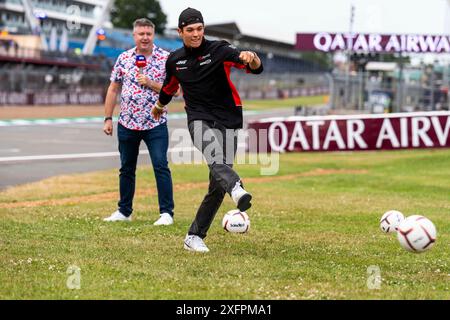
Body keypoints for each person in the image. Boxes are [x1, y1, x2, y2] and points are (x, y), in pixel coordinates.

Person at [152, 8, 263, 252]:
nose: (196, 34)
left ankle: (193, 236)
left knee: (216, 185)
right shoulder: (175, 60)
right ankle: (236, 187)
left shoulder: (219, 49)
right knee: (215, 160)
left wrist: (251, 57)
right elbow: (169, 88)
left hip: (229, 119)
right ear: (180, 32)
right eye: (190, 30)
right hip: (199, 118)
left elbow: (253, 66)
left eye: (199, 29)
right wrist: (159, 105)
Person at [103, 18, 174, 225]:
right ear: (134, 36)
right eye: (140, 34)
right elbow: (113, 88)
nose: (145, 37)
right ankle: (124, 212)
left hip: (155, 123)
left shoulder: (165, 58)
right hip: (127, 123)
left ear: (153, 35)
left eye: (148, 34)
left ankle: (166, 213)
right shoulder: (124, 58)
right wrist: (108, 118)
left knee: (161, 165)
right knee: (126, 168)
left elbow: (175, 90)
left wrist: (151, 83)